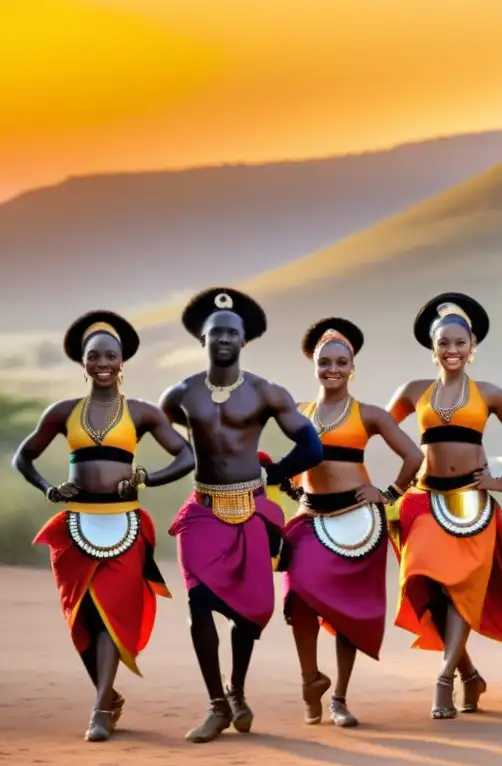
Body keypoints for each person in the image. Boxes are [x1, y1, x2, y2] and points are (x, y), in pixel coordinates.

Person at [13, 310, 195, 742]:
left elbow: (186, 455)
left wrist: (149, 477)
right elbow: (24, 456)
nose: (102, 363)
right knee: (84, 618)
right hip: (76, 526)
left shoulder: (142, 412)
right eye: (93, 355)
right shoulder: (63, 413)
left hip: (124, 525)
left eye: (110, 355)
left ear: (121, 361)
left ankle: (97, 711)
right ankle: (108, 695)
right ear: (83, 362)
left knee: (112, 610)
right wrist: (47, 489)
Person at [159, 287, 324, 742]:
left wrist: (274, 476)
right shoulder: (181, 394)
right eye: (216, 333)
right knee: (200, 605)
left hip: (250, 511)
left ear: (245, 340)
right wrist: (192, 455)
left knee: (250, 614)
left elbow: (311, 445)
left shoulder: (266, 392)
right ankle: (215, 705)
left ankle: (237, 690)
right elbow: (168, 432)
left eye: (233, 332)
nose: (225, 339)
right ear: (203, 339)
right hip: (202, 513)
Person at [386, 292, 502, 719]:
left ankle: (445, 678)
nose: (451, 350)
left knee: (462, 592)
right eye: (443, 343)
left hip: (472, 504)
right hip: (424, 500)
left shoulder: (489, 393)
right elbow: (375, 427)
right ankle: (468, 672)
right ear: (432, 347)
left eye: (459, 343)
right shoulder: (414, 391)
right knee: (425, 583)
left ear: (472, 347)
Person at [280, 317, 422, 727]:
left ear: (353, 366)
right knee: (297, 595)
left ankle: (339, 698)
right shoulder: (297, 415)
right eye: (325, 362)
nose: (333, 369)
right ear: (314, 364)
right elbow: (276, 458)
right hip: (310, 517)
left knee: (349, 612)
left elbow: (414, 457)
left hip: (359, 522)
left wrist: (389, 493)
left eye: (341, 362)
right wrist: (292, 489)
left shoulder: (370, 414)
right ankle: (311, 679)